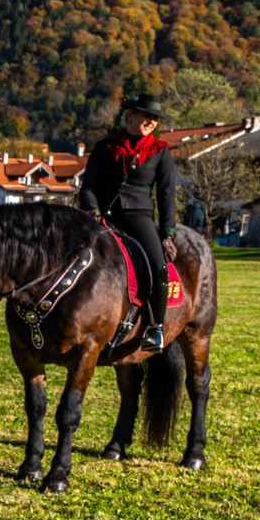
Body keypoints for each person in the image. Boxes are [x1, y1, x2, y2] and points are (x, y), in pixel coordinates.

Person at [78, 94, 178, 350]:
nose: (151, 122)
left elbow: (167, 195)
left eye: (154, 119)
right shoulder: (104, 148)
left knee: (158, 267)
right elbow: (88, 187)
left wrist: (167, 234)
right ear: (129, 116)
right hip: (103, 218)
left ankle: (155, 328)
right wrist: (93, 210)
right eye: (147, 116)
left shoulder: (160, 151)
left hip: (138, 217)